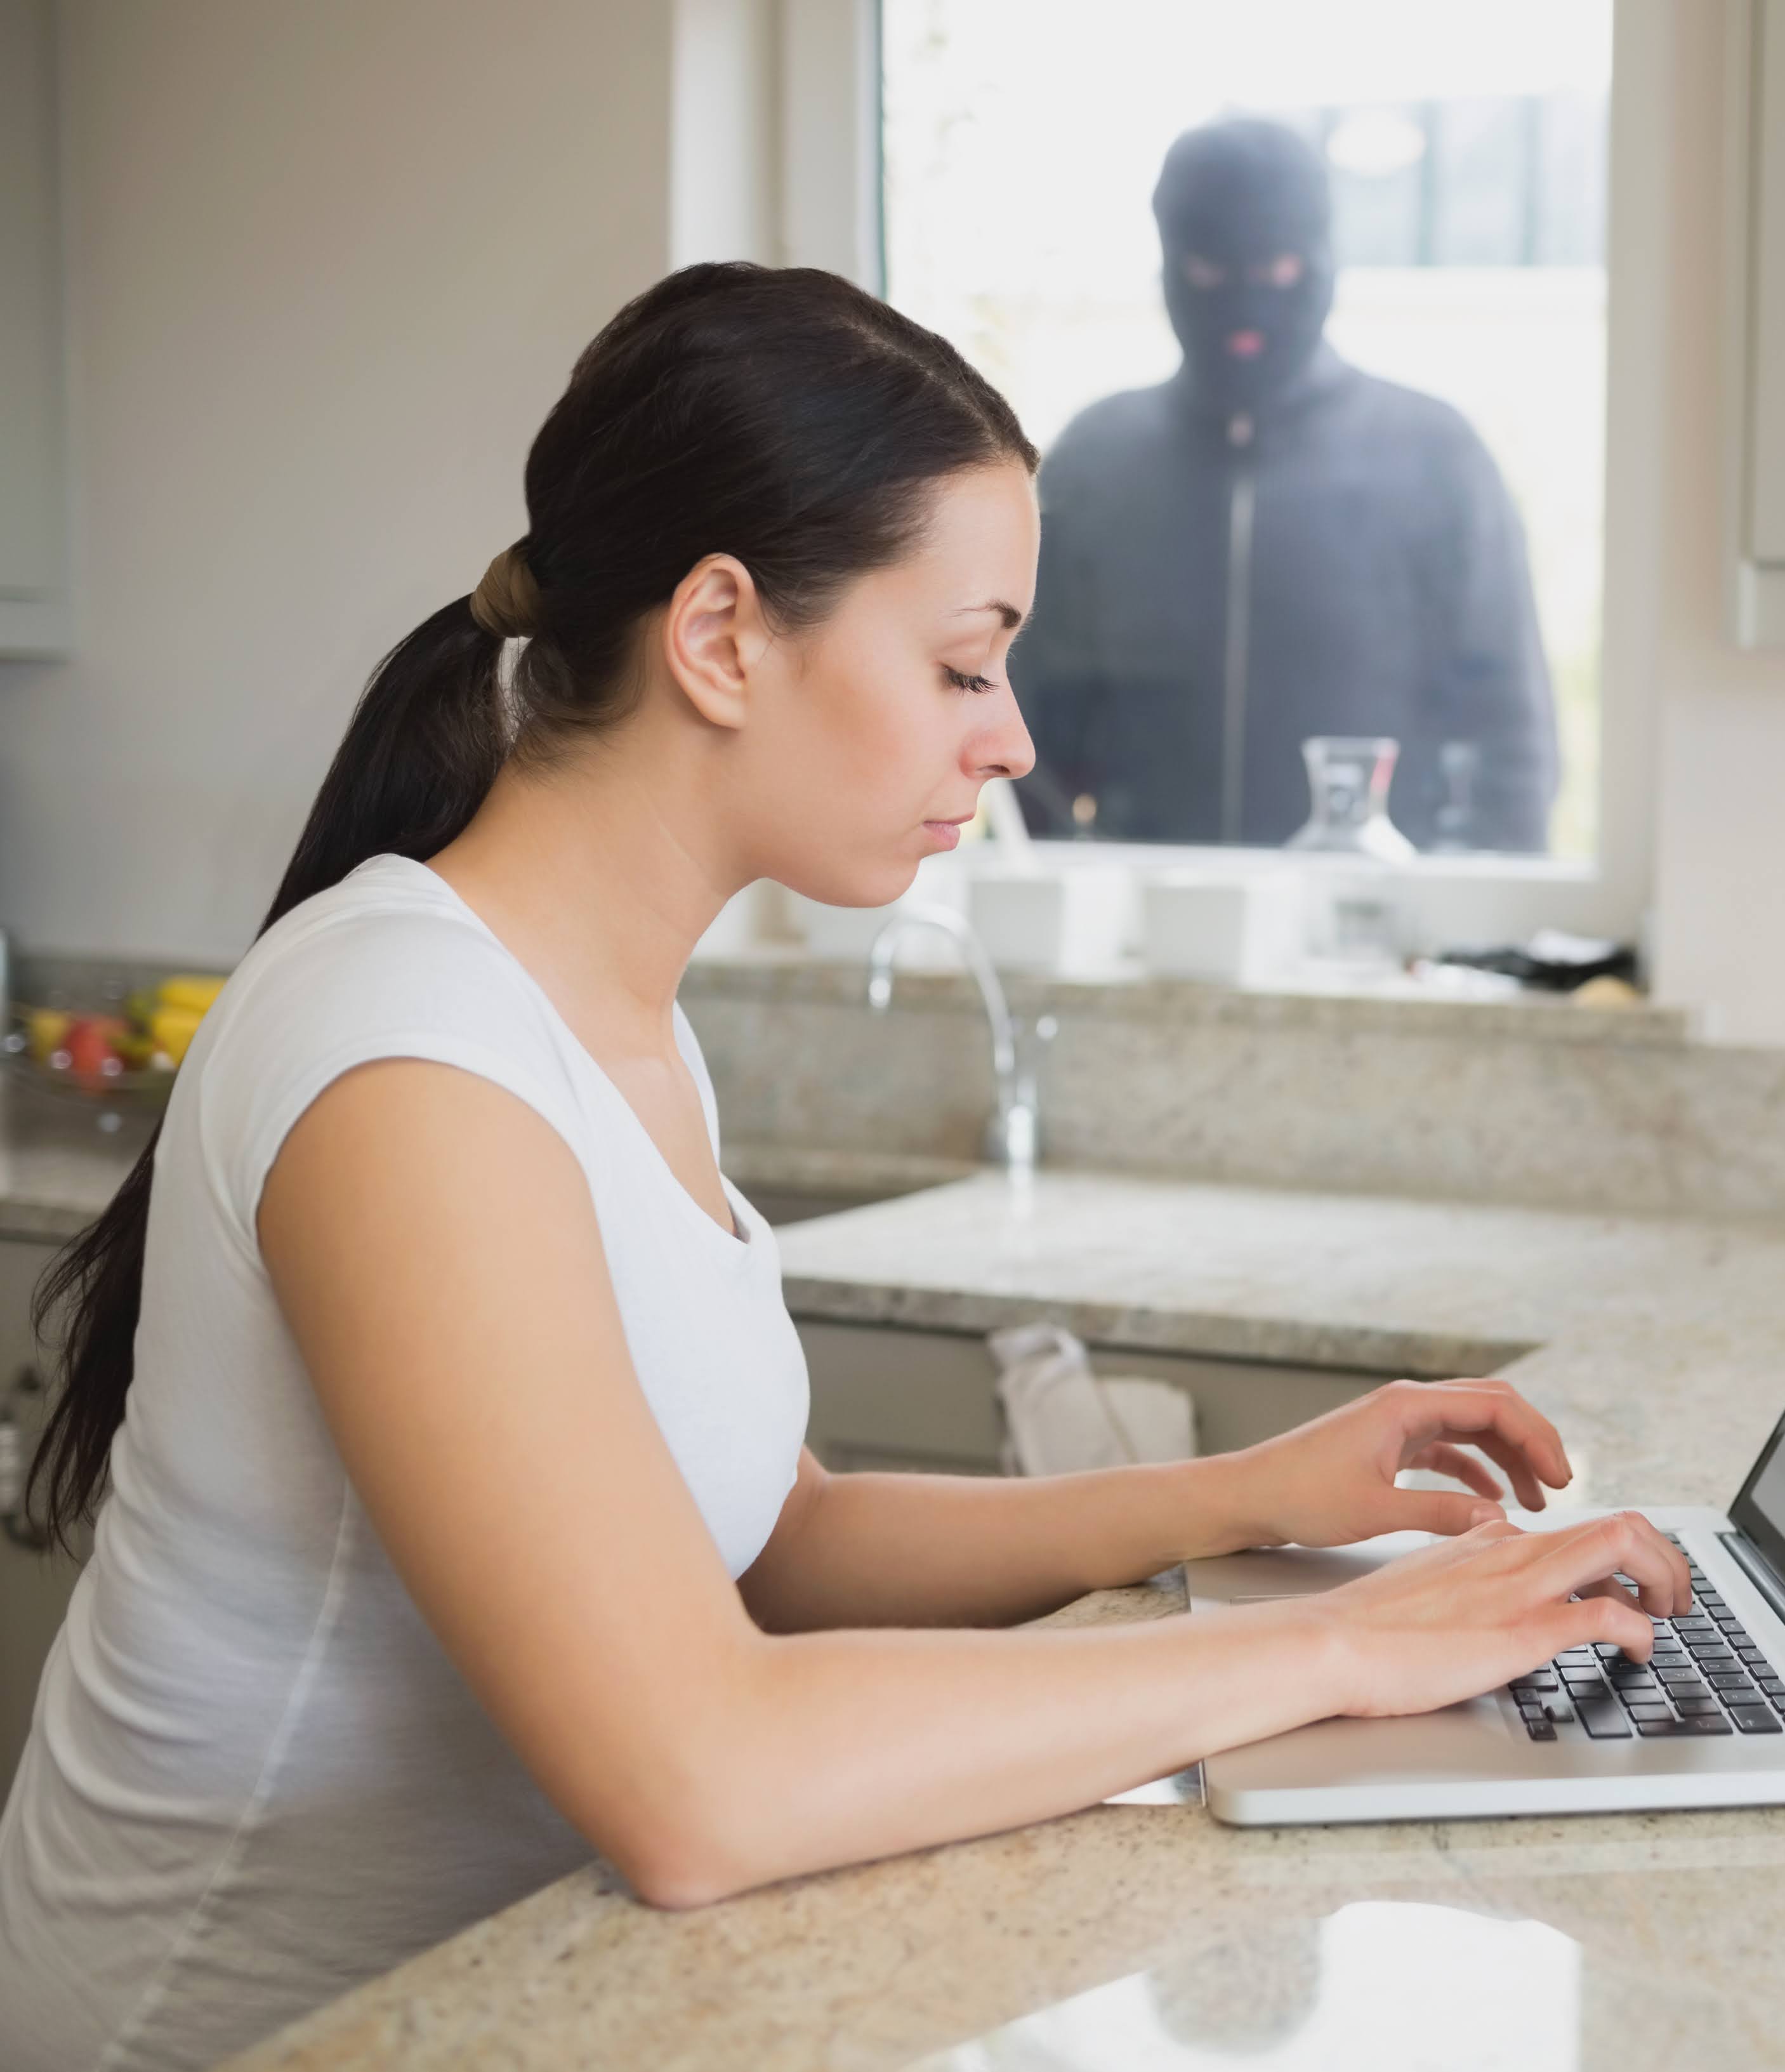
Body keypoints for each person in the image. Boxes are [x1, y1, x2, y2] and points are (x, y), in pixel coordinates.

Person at [0, 264, 1681, 2072]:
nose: (1012, 734)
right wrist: (1345, 1656)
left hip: (542, 1998)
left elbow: (779, 1542)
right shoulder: (405, 1054)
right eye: (964, 661)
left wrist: (1252, 1496)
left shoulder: (613, 1018)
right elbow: (698, 1774)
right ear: (720, 635)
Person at [1010, 117, 1558, 851]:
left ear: (1322, 262)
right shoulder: (1093, 464)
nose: (1245, 306)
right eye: (1209, 274)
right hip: (1145, 922)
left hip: (1366, 934)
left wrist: (1477, 929)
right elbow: (1025, 731)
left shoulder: (1434, 458)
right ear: (1171, 268)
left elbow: (1510, 739)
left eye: (1277, 273)